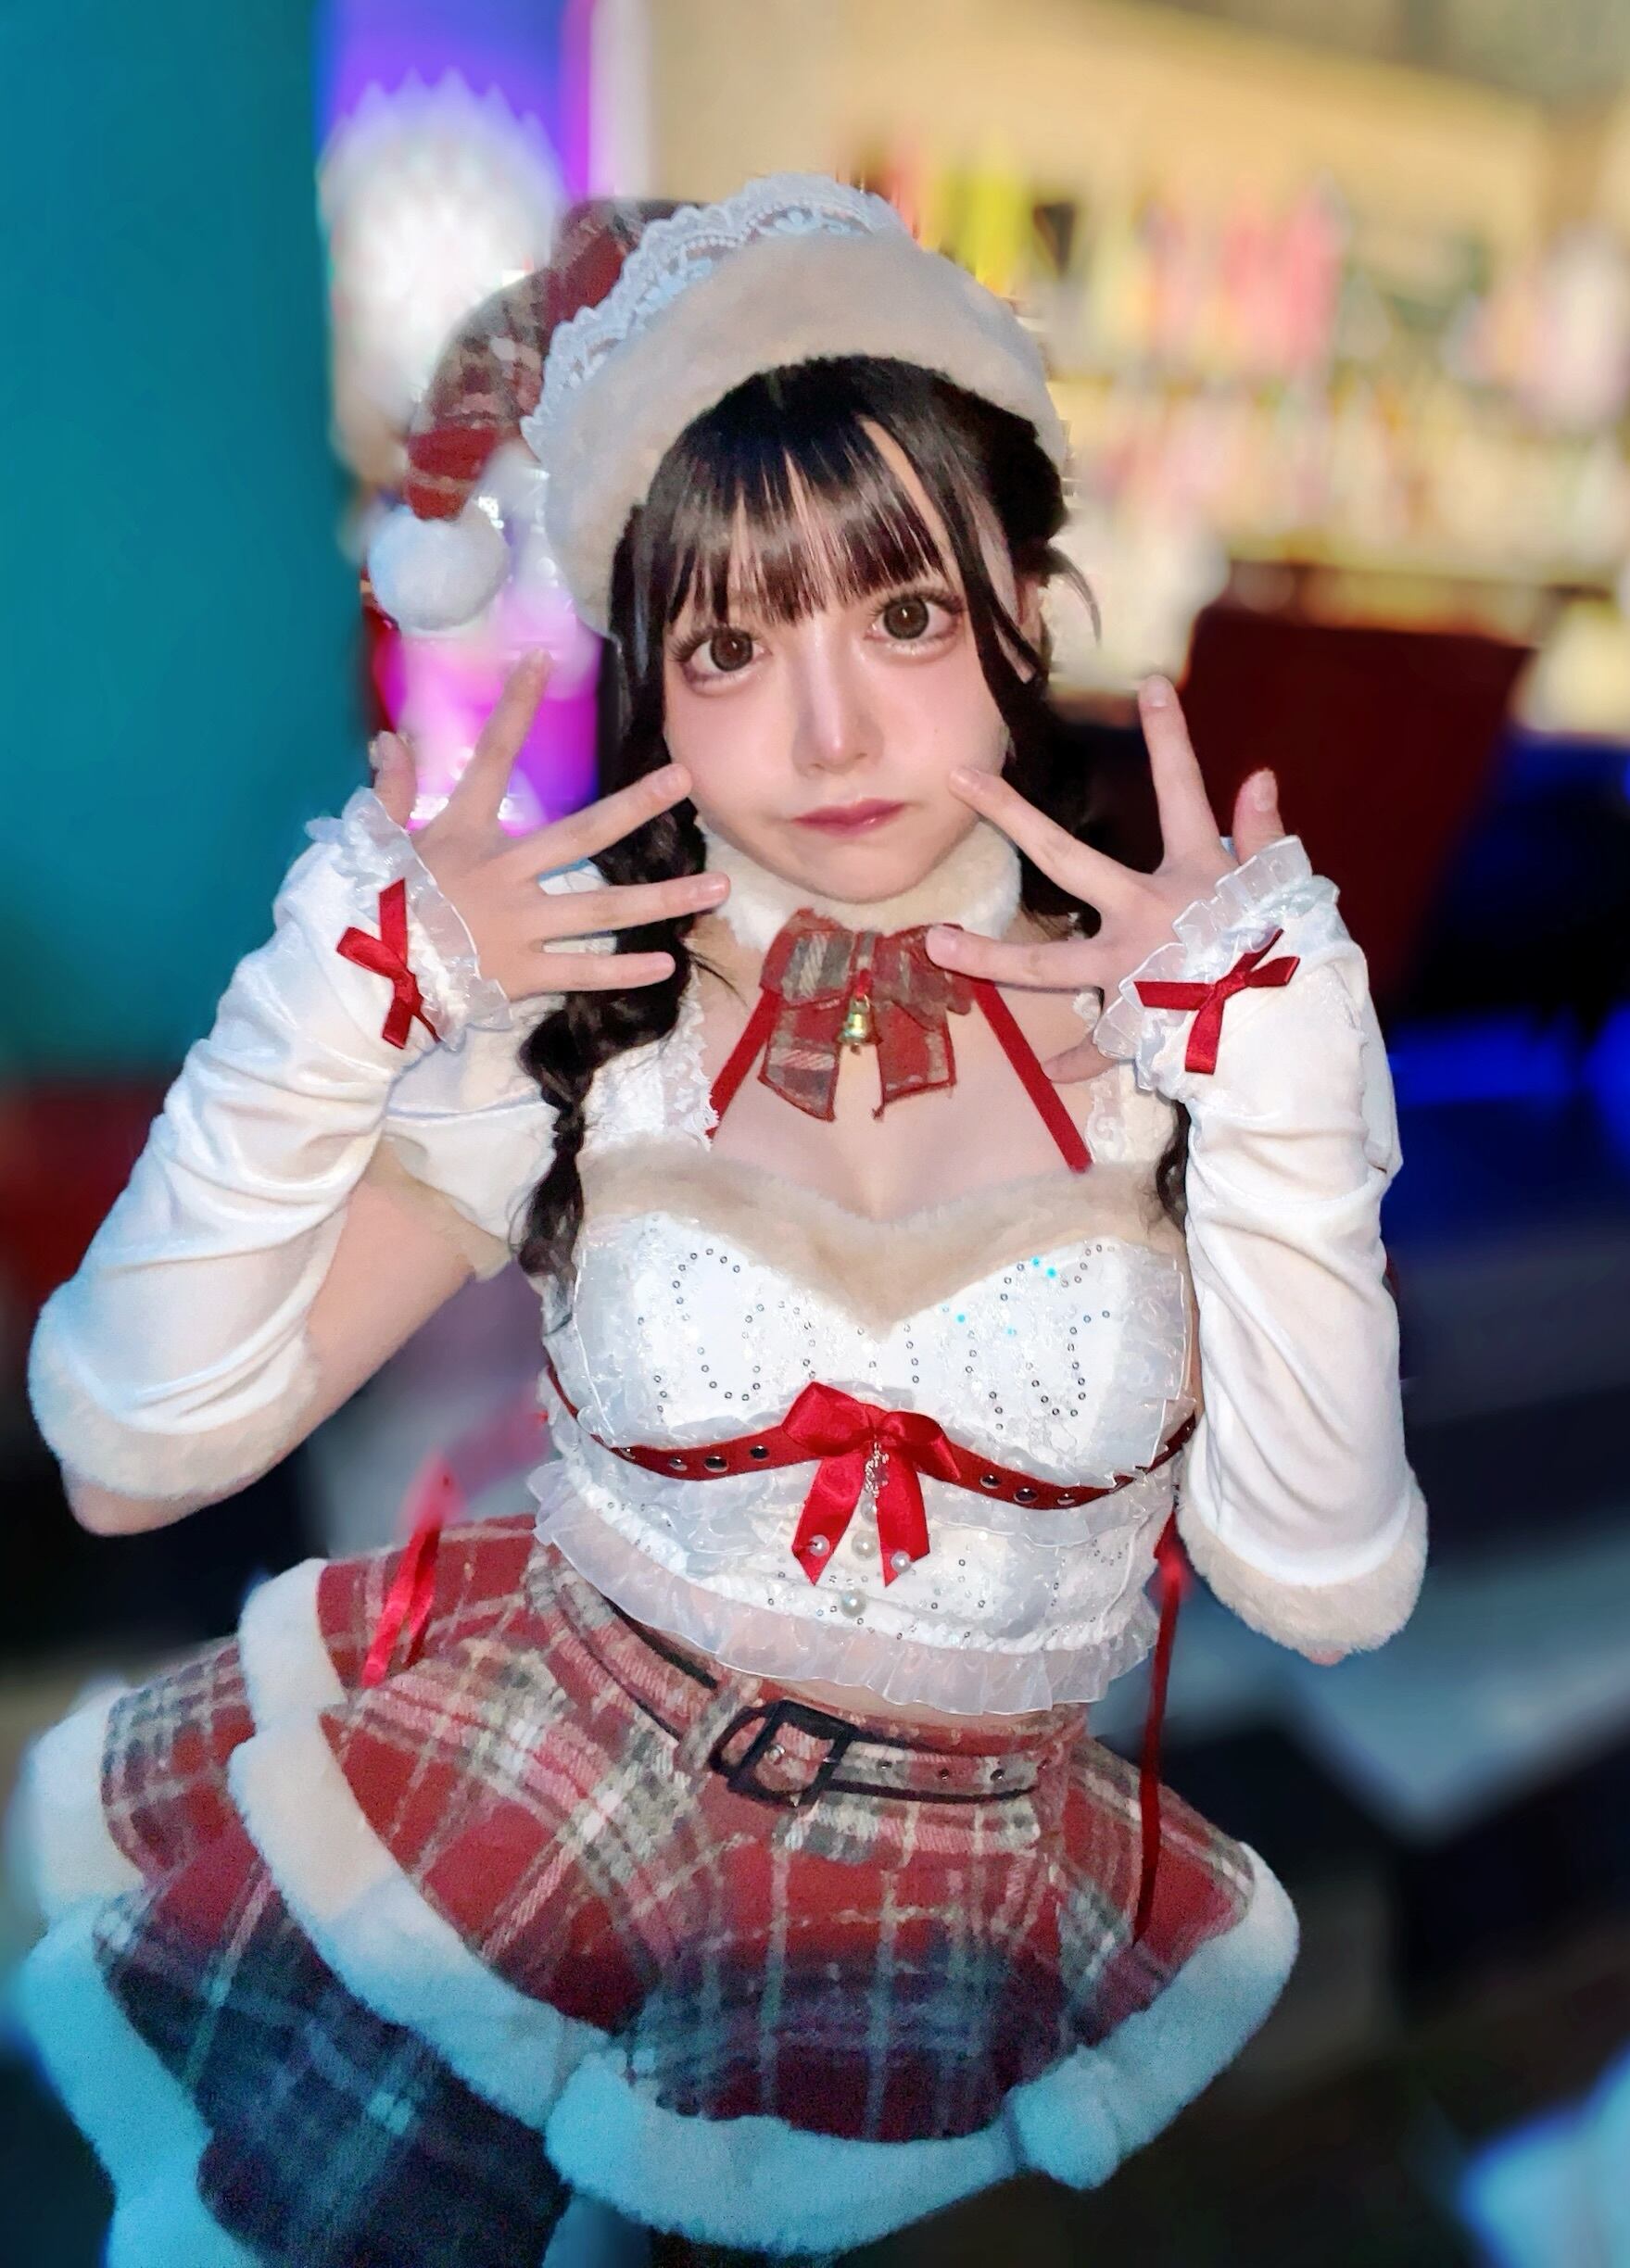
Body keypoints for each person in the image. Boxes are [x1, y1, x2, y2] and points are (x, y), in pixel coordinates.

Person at [11, 173, 1425, 2266]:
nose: (830, 732)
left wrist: (1284, 1102)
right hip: (534, 1836)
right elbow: (131, 1453)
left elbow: (1324, 1586)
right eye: (734, 645)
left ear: (1030, 605)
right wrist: (336, 1000)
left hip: (958, 1959)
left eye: (905, 615)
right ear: (652, 688)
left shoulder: (1191, 1033)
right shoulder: (583, 1036)